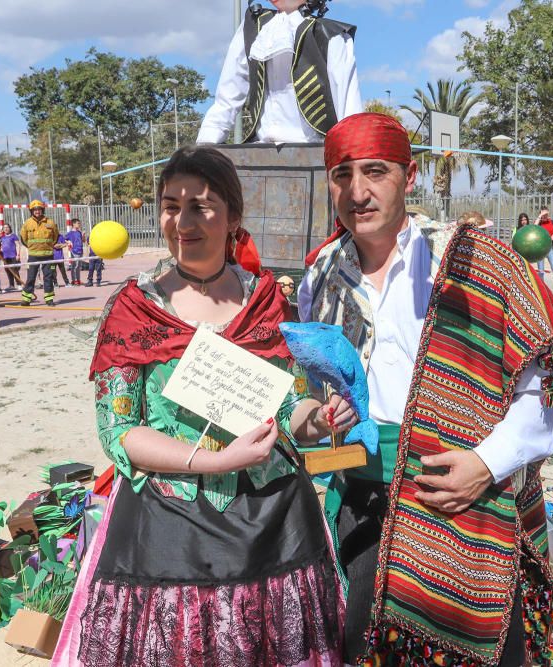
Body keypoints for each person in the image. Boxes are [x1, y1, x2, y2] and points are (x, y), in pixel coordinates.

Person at [299, 113, 553, 666]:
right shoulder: (320, 274)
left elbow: (552, 385)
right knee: (363, 646)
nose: (357, 192)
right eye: (341, 175)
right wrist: (316, 417)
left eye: (375, 172)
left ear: (409, 178)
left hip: (465, 500)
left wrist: (487, 461)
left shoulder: (477, 259)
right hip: (361, 501)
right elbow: (316, 387)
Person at [52, 145, 351, 666]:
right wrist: (214, 461)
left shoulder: (268, 302)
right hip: (167, 528)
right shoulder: (133, 308)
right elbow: (120, 431)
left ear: (233, 217)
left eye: (200, 206)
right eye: (171, 205)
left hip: (274, 525)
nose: (182, 221)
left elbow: (288, 408)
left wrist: (317, 420)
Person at [197, 0, 362, 144]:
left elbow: (349, 110)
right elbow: (228, 95)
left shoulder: (333, 36)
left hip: (316, 151)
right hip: (260, 151)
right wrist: (207, 141)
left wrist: (352, 154)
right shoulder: (252, 27)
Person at [20, 201, 60, 306]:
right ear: (31, 211)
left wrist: (49, 246)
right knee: (31, 277)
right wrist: (32, 247)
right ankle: (26, 299)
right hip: (33, 255)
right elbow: (23, 239)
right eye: (35, 210)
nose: (37, 211)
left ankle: (49, 299)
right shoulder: (27, 223)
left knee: (48, 277)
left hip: (48, 255)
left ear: (42, 210)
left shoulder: (50, 222)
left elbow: (55, 237)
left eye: (39, 209)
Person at [535, 206, 553, 297]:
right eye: (543, 214)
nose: (545, 216)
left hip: (549, 248)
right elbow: (533, 227)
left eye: (546, 214)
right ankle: (542, 292)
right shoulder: (538, 223)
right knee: (541, 271)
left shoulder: (552, 222)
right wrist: (540, 216)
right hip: (540, 250)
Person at [0, 224, 22, 290]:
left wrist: (18, 255)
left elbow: (17, 245)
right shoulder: (2, 237)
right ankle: (11, 285)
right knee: (8, 271)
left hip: (13, 256)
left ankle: (19, 284)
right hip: (5, 257)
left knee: (15, 271)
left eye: (7, 227)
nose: (6, 229)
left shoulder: (13, 236)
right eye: (4, 228)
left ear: (10, 228)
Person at [64, 219, 86, 285]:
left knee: (79, 266)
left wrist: (83, 235)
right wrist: (68, 242)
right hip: (74, 251)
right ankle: (74, 280)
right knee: (75, 266)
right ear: (73, 224)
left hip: (80, 250)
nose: (79, 224)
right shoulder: (70, 233)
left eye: (79, 223)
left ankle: (78, 279)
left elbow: (83, 241)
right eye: (78, 223)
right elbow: (64, 239)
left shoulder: (79, 232)